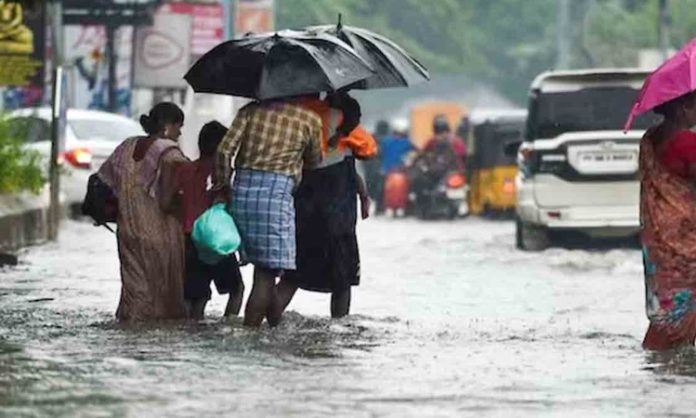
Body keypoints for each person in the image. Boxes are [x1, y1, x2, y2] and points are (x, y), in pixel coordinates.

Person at [214, 98, 323, 328]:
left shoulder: (250, 111)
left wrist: (223, 185)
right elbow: (314, 162)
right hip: (276, 197)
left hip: (242, 194)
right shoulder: (309, 119)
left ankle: (276, 326)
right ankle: (251, 334)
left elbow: (224, 151)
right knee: (265, 274)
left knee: (264, 267)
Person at [275, 92, 377, 318]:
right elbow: (361, 156)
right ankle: (338, 328)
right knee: (342, 279)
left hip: (303, 211)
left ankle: (265, 322)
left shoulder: (293, 117)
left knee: (291, 276)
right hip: (338, 216)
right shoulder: (341, 121)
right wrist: (363, 196)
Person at [98, 102, 189, 322]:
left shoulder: (125, 147)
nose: (180, 132)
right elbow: (168, 201)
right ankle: (153, 341)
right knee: (163, 296)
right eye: (178, 126)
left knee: (134, 290)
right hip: (161, 234)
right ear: (167, 125)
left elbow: (104, 179)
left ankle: (130, 331)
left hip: (128, 229)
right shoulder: (170, 153)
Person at [640, 91, 696, 350]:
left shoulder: (649, 139)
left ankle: (659, 359)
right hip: (687, 239)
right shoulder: (686, 142)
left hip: (660, 240)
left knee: (671, 309)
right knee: (685, 308)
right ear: (684, 108)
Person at [176, 121, 244, 320]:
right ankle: (227, 325)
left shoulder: (185, 169)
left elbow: (174, 200)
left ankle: (193, 331)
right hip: (215, 239)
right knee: (237, 289)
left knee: (196, 297)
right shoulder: (223, 174)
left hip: (189, 238)